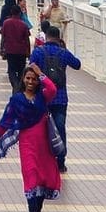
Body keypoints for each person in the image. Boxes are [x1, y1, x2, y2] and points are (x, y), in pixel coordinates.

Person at [0, 63, 62, 212]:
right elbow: (6, 119)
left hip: (45, 145)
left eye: (34, 79)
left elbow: (52, 89)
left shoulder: (42, 97)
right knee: (31, 175)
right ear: (23, 79)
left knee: (44, 177)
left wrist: (41, 73)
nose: (31, 81)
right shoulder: (17, 100)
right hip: (28, 144)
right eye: (28, 78)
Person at [29, 27, 82, 171]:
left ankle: (43, 159)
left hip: (43, 97)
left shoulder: (38, 52)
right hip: (60, 98)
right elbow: (77, 65)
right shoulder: (63, 53)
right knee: (60, 128)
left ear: (46, 37)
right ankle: (60, 160)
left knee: (40, 129)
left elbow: (30, 68)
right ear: (59, 38)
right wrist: (65, 48)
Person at [0, 0, 33, 87]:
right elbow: (27, 40)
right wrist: (28, 53)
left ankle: (15, 86)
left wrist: (2, 49)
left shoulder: (6, 23)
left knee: (11, 71)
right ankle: (18, 86)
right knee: (21, 71)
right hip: (21, 52)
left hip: (10, 51)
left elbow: (3, 37)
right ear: (20, 13)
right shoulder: (24, 25)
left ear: (11, 12)